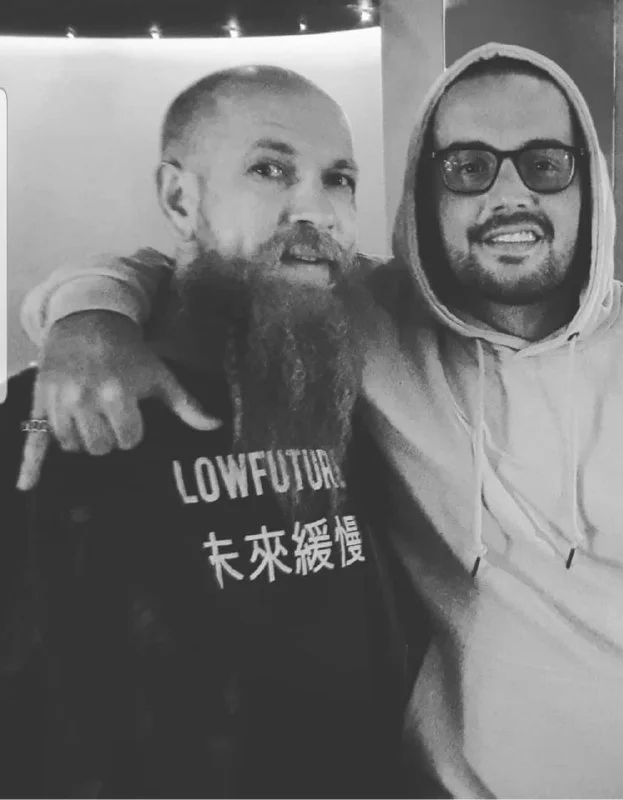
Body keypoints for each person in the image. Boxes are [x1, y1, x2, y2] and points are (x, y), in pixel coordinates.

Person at [15, 43, 623, 798]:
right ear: (426, 190)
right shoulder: (373, 323)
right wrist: (91, 314)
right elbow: (230, 264)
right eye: (468, 167)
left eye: (544, 163)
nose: (509, 195)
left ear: (586, 183)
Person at [1, 65, 410, 799]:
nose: (316, 210)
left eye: (339, 179)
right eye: (269, 169)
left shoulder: (351, 377)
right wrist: (88, 316)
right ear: (179, 199)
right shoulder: (66, 405)